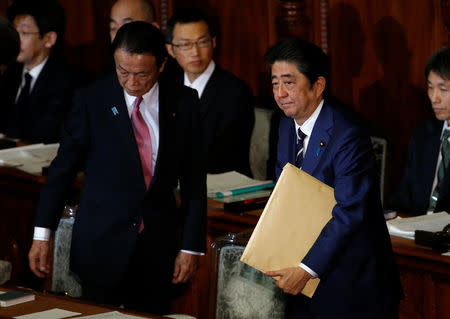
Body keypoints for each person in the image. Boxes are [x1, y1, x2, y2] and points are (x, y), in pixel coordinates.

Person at [28, 21, 206, 314]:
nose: (131, 82)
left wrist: (190, 247)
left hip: (157, 251)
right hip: (100, 248)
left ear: (161, 65)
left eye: (142, 74)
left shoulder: (184, 103)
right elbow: (62, 171)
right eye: (122, 71)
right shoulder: (92, 100)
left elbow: (194, 183)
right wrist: (42, 235)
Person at [264, 38, 402, 319]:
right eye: (275, 83)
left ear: (318, 85)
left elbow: (350, 212)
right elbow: (286, 195)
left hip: (352, 286)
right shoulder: (284, 125)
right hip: (304, 283)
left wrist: (305, 269)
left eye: (289, 83)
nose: (280, 93)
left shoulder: (347, 133)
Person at [166, 8, 255, 176]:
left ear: (214, 42)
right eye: (185, 44)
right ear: (170, 50)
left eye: (202, 42)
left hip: (223, 185)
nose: (195, 52)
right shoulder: (168, 87)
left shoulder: (235, 91)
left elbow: (225, 154)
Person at [1, 0, 80, 143]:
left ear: (49, 39)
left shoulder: (69, 82)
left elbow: (48, 135)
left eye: (24, 32)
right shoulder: (9, 74)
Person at [390, 47, 450, 215]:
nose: (434, 98)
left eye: (443, 89)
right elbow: (404, 196)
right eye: (430, 87)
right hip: (413, 235)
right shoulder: (424, 134)